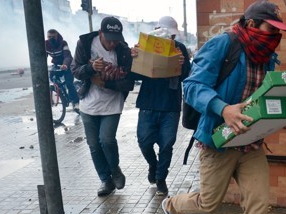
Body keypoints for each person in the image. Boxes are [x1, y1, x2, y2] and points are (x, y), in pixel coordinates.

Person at [161, 0, 286, 214]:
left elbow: (260, 99)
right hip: (217, 143)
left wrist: (279, 117)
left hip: (250, 144)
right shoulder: (224, 45)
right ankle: (172, 206)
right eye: (270, 29)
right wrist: (223, 108)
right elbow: (192, 87)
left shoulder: (268, 57)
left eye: (278, 31)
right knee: (209, 203)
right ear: (251, 25)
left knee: (258, 206)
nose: (274, 36)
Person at [71, 17, 135, 196]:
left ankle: (115, 170)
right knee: (94, 145)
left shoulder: (123, 51)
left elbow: (129, 83)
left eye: (116, 39)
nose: (113, 43)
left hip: (112, 104)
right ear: (100, 34)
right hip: (88, 104)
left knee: (106, 140)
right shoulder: (85, 44)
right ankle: (105, 181)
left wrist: (107, 84)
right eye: (109, 39)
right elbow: (75, 70)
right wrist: (91, 68)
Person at [130, 16, 191, 196]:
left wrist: (181, 66)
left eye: (172, 36)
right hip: (148, 103)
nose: (170, 39)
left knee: (167, 144)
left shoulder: (180, 49)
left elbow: (186, 77)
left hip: (170, 106)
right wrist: (133, 57)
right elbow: (133, 76)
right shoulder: (145, 45)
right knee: (144, 141)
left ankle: (161, 178)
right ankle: (153, 166)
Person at [45, 29, 80, 111]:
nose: (51, 38)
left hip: (68, 64)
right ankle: (61, 92)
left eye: (53, 37)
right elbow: (43, 56)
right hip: (57, 65)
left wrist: (65, 65)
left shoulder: (63, 43)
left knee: (69, 83)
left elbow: (67, 56)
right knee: (52, 78)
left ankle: (76, 102)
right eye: (49, 37)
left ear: (57, 36)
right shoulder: (46, 44)